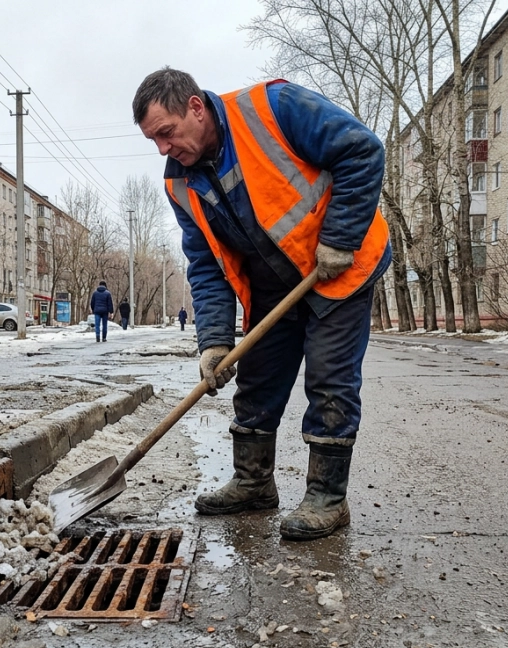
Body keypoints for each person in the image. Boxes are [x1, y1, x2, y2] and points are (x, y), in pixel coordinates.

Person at [133, 68, 391, 541]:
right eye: (154, 141)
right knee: (256, 382)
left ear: (195, 107)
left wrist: (339, 239)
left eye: (166, 134)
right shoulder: (180, 185)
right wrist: (213, 344)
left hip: (337, 268)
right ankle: (253, 484)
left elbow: (363, 150)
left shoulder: (273, 109)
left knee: (329, 379)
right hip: (273, 283)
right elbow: (207, 265)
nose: (163, 150)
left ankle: (328, 499)